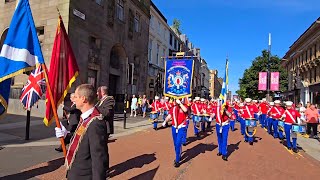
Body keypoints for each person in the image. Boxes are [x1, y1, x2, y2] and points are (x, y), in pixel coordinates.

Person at [55, 84, 108, 179]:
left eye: (75, 96)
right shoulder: (85, 117)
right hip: (76, 173)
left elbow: (99, 159)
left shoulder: (95, 123)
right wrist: (66, 135)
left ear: (83, 99)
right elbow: (81, 138)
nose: (73, 99)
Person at [164, 98, 188, 167]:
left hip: (181, 127)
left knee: (178, 143)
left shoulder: (184, 106)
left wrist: (180, 104)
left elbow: (185, 110)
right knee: (175, 144)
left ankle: (177, 160)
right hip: (174, 127)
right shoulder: (173, 108)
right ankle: (178, 154)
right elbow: (169, 116)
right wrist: (165, 121)